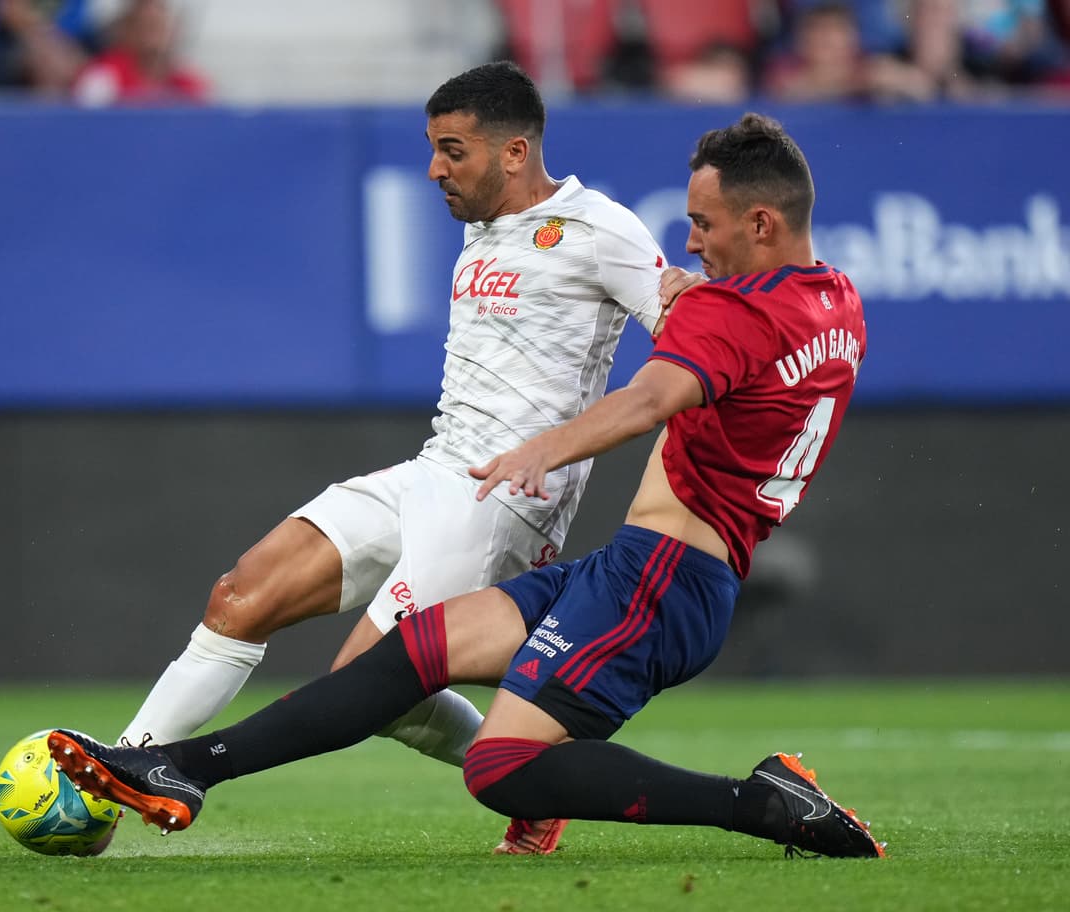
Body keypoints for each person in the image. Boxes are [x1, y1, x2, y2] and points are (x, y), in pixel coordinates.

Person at [45, 112, 885, 860]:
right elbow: (756, 349)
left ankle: (759, 803)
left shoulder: (728, 312)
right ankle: (180, 769)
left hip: (665, 580)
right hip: (647, 570)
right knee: (414, 654)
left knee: (500, 766)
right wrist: (704, 298)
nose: (692, 245)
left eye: (704, 226)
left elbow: (653, 396)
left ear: (762, 221)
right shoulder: (838, 304)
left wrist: (546, 449)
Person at [0, 60, 669, 856]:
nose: (435, 168)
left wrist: (574, 452)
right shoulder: (483, 228)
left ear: (515, 153)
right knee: (240, 594)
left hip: (502, 501)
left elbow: (680, 356)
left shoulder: (600, 229)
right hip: (433, 469)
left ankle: (540, 783)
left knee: (370, 690)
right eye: (433, 149)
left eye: (453, 151)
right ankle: (116, 770)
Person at [70, 0, 207, 106]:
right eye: (146, 27)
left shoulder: (188, 83)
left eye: (158, 26)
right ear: (127, 32)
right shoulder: (104, 77)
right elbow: (87, 126)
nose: (153, 37)